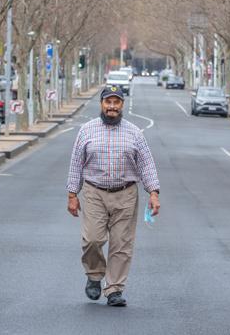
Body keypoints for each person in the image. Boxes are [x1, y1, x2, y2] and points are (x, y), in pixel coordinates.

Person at [66, 85, 161, 307]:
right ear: (101, 104)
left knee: (121, 244)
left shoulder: (134, 133)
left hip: (126, 194)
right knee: (92, 240)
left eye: (116, 102)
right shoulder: (86, 130)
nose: (112, 107)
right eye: (108, 102)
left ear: (122, 105)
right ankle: (94, 275)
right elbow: (75, 164)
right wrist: (72, 194)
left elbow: (147, 164)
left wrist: (153, 193)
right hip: (94, 193)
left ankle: (115, 289)